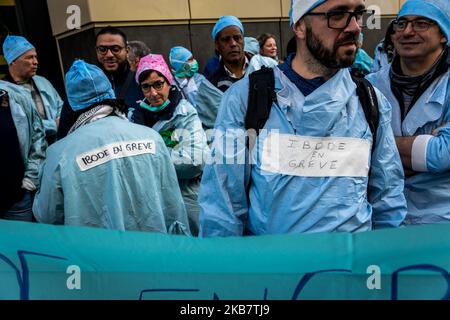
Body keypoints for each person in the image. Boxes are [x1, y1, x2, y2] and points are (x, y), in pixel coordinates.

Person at [198, 0, 407, 237]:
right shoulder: (246, 99)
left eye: (358, 14)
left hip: (349, 271)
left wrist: (384, 265)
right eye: (337, 15)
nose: (355, 27)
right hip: (277, 271)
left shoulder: (370, 101)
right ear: (299, 26)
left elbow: (387, 201)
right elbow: (222, 207)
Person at [33, 60, 190, 235]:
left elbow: (46, 216)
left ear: (72, 104)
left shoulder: (58, 154)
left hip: (95, 258)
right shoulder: (152, 138)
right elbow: (174, 207)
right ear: (110, 93)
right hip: (155, 253)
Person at [367, 0, 450, 225]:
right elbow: (355, 154)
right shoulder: (368, 87)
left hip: (441, 223)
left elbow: (443, 154)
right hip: (384, 222)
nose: (407, 31)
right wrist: (424, 147)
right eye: (401, 23)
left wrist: (379, 149)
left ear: (444, 34)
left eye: (421, 23)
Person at [132, 54, 209, 236]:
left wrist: (148, 157)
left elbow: (194, 160)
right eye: (146, 87)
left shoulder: (185, 113)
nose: (153, 93)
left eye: (158, 84)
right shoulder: (134, 119)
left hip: (187, 199)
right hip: (152, 203)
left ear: (168, 82)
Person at [58, 27, 145, 139]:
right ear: (96, 51)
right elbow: (65, 135)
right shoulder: (82, 89)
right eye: (102, 49)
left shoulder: (142, 83)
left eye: (115, 48)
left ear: (127, 51)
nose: (109, 54)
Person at [2, 35, 63, 144]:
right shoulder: (4, 91)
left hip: (57, 146)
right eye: (29, 57)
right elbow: (22, 128)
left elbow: (60, 108)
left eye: (35, 57)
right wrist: (54, 125)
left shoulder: (42, 81)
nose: (35, 62)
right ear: (12, 61)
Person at [0, 80, 46, 221]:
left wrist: (30, 179)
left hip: (17, 200)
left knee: (23, 243)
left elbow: (37, 136)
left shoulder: (15, 96)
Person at [169, 46, 221, 130]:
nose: (194, 62)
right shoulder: (172, 85)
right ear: (181, 64)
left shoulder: (199, 78)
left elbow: (216, 101)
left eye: (193, 58)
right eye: (190, 60)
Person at [208, 16, 248, 92]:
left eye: (237, 38)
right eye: (226, 39)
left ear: (243, 40)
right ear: (217, 45)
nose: (233, 43)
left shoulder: (261, 68)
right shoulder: (212, 85)